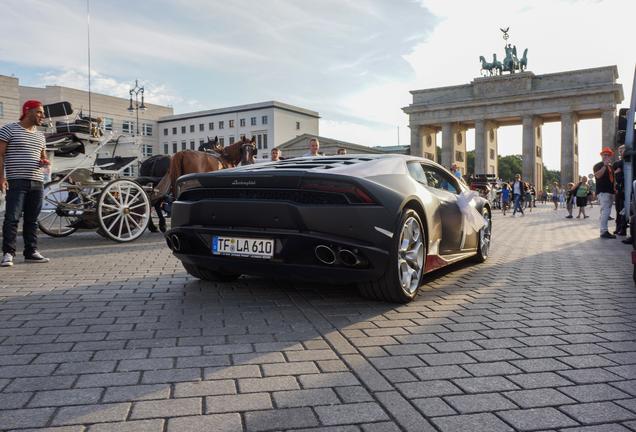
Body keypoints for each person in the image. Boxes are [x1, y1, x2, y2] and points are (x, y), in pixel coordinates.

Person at [0, 100, 51, 267]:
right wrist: (1, 177)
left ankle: (31, 252)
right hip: (16, 181)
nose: (42, 116)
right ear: (27, 112)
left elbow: (43, 156)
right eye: (39, 112)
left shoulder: (40, 135)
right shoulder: (9, 129)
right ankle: (8, 253)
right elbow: (0, 155)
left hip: (37, 181)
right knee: (12, 217)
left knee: (32, 219)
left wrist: (44, 162)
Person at [594, 147, 616, 239]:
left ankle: (604, 230)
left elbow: (612, 180)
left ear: (610, 156)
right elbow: (598, 175)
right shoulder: (598, 165)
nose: (606, 156)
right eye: (604, 155)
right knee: (605, 212)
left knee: (606, 211)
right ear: (601, 155)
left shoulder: (611, 167)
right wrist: (604, 165)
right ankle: (603, 231)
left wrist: (614, 190)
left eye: (608, 155)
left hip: (610, 192)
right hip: (603, 191)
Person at [613, 145, 626, 235]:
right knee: (618, 209)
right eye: (620, 150)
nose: (621, 152)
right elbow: (613, 176)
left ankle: (623, 229)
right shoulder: (617, 163)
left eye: (622, 150)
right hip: (619, 189)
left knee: (624, 209)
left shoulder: (630, 161)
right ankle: (618, 227)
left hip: (627, 188)